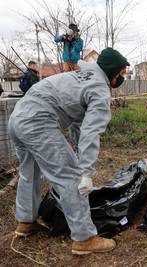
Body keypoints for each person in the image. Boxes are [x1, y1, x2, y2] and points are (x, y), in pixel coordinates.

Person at [8, 47, 130, 255]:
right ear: (113, 71)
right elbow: (91, 133)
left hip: (17, 119)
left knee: (30, 173)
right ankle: (84, 238)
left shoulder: (81, 75)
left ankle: (25, 223)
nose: (123, 77)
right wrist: (85, 172)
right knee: (70, 177)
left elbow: (79, 125)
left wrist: (79, 154)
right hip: (39, 122)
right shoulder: (99, 89)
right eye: (122, 73)